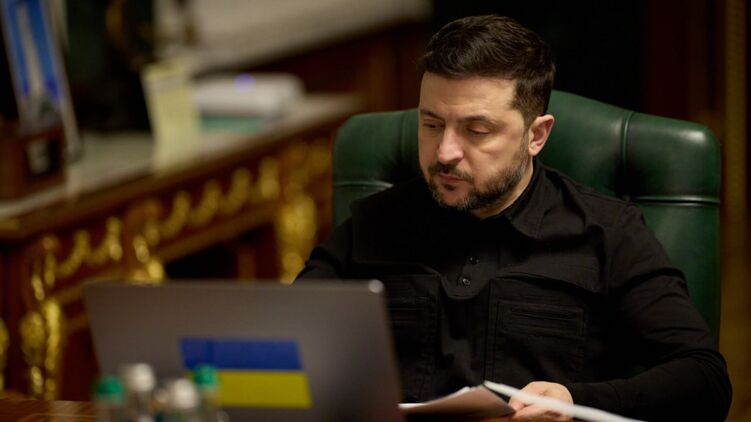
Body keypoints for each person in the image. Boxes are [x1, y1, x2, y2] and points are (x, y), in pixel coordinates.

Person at [297, 15, 731, 422]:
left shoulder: (607, 232)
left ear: (536, 135)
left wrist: (574, 401)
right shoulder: (377, 220)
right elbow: (285, 345)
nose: (445, 152)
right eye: (431, 125)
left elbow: (704, 378)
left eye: (476, 130)